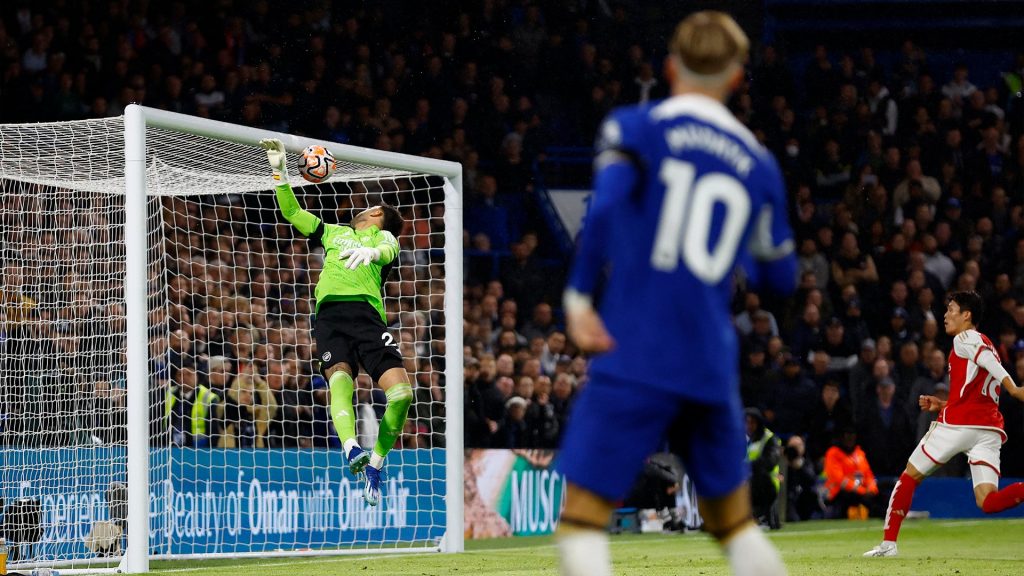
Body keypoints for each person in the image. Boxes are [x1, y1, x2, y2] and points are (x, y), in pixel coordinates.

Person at [555, 12, 795, 576]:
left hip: (637, 346)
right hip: (709, 363)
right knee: (735, 528)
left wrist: (579, 298)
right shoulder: (758, 164)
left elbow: (606, 210)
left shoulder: (635, 129)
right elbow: (780, 278)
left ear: (669, 67)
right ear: (737, 79)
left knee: (582, 525)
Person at [259, 138, 411, 506]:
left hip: (368, 317)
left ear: (377, 216)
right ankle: (350, 448)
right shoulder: (333, 232)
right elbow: (294, 215)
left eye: (373, 206)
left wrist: (372, 250)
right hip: (329, 317)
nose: (366, 207)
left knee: (403, 395)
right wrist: (279, 173)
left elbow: (390, 248)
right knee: (340, 382)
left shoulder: (382, 236)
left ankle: (376, 464)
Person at [864, 291, 1024, 557]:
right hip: (988, 430)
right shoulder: (985, 342)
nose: (946, 315)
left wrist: (1015, 389)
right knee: (988, 501)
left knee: (909, 476)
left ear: (967, 315)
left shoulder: (966, 338)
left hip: (959, 425)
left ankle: (888, 544)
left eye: (951, 309)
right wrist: (942, 404)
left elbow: (988, 361)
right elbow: (975, 392)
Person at [824, 427, 878, 520]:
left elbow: (868, 474)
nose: (850, 440)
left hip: (861, 493)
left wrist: (872, 488)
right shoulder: (833, 453)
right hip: (839, 494)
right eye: (847, 437)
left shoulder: (859, 453)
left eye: (852, 437)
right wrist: (862, 491)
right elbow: (839, 480)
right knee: (847, 497)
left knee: (878, 499)